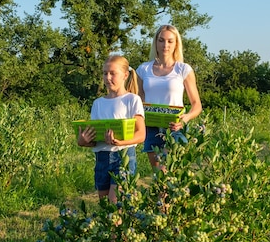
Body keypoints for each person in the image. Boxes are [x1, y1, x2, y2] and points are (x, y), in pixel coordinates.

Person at [77, 55, 146, 203]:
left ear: (125, 75)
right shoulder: (98, 103)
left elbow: (141, 135)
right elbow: (95, 139)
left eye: (112, 73)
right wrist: (83, 141)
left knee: (115, 205)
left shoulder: (132, 100)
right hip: (101, 158)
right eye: (104, 73)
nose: (108, 77)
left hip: (123, 156)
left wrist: (120, 142)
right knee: (105, 206)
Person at [136, 24, 202, 170]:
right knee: (158, 176)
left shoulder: (183, 69)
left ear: (176, 44)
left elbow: (196, 104)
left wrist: (184, 119)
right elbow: (138, 100)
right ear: (156, 42)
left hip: (175, 127)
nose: (165, 45)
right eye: (161, 40)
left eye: (170, 41)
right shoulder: (143, 69)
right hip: (151, 127)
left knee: (168, 172)